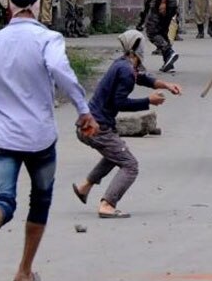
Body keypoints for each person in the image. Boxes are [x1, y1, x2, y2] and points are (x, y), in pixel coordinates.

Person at [0, 0, 99, 281]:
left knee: (4, 200)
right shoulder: (48, 40)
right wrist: (83, 108)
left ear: (8, 3)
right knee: (40, 201)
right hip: (40, 139)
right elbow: (59, 71)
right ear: (38, 4)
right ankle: (24, 272)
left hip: (3, 140)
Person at [72, 30, 182, 218]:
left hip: (87, 125)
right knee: (130, 165)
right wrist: (148, 101)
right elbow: (119, 103)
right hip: (97, 128)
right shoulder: (126, 71)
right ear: (136, 50)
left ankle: (84, 187)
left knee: (114, 154)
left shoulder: (123, 65)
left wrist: (166, 85)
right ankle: (107, 204)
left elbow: (143, 78)